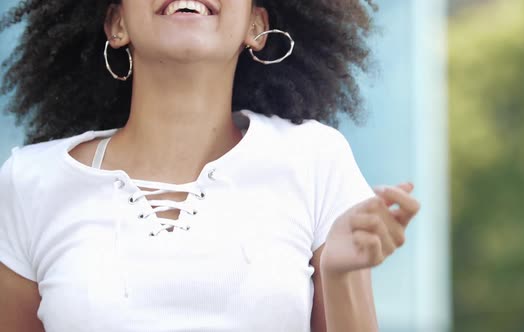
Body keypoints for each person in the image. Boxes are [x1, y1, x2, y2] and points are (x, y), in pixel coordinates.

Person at [0, 1, 421, 331]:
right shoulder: (29, 182)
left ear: (256, 27)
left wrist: (341, 275)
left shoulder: (316, 158)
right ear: (116, 24)